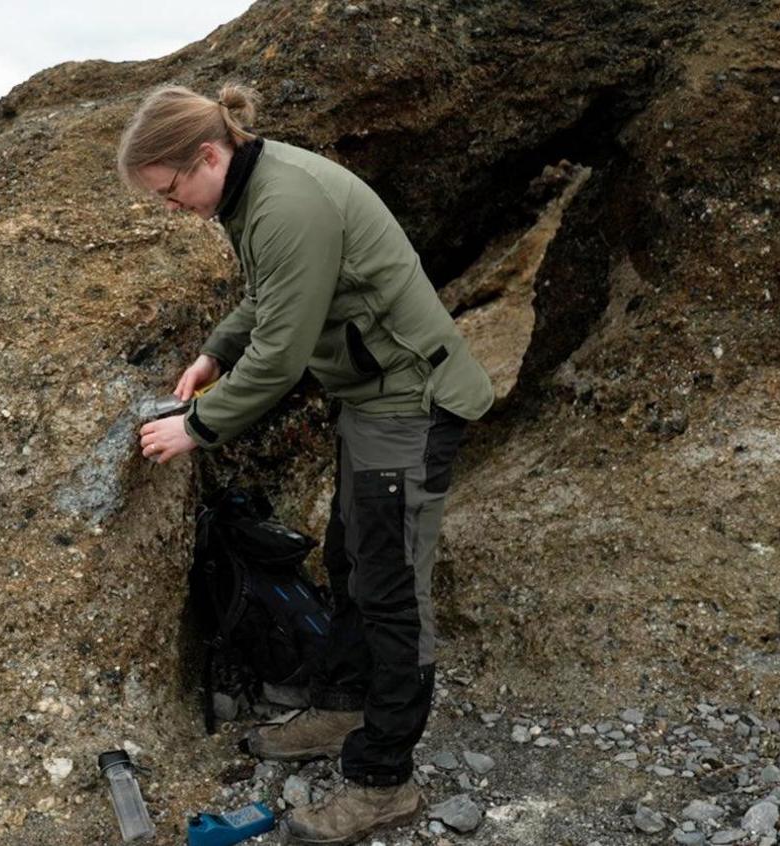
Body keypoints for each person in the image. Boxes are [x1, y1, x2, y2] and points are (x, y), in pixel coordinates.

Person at [116, 84, 494, 844]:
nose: (170, 206)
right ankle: (347, 703)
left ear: (207, 155)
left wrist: (200, 426)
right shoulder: (254, 193)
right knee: (351, 558)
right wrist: (214, 351)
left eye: (169, 189)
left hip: (411, 401)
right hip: (373, 396)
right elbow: (270, 299)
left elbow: (285, 354)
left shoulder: (287, 201)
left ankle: (384, 783)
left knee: (392, 594)